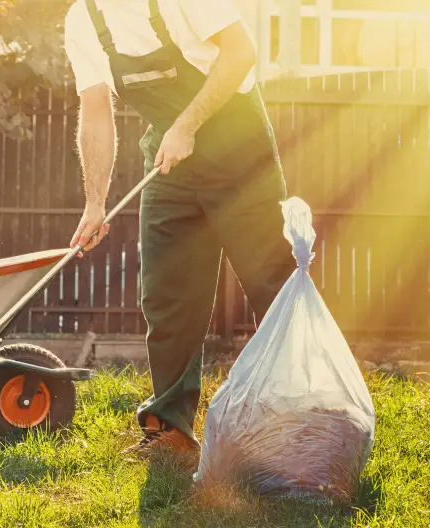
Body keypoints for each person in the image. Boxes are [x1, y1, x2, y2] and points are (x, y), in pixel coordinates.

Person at [64, 0, 295, 457]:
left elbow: (240, 52)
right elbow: (95, 110)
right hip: (171, 159)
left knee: (271, 281)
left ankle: (298, 414)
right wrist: (95, 204)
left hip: (237, 144)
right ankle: (171, 428)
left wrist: (188, 123)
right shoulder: (82, 19)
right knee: (168, 291)